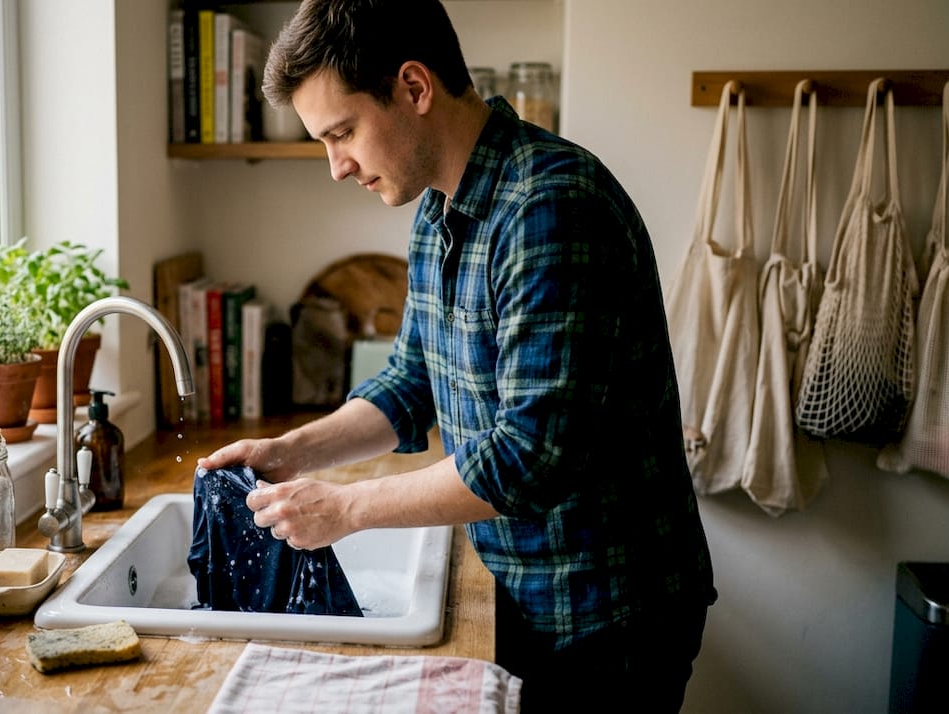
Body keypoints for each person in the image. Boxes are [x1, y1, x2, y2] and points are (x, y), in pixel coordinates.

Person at [197, 0, 717, 710]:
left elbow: (530, 458)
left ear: (414, 89)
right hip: (524, 588)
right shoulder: (439, 208)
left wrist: (346, 509)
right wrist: (293, 451)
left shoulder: (551, 206)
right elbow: (413, 381)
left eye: (342, 132)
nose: (336, 167)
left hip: (606, 616)